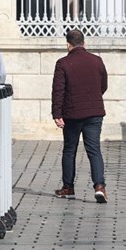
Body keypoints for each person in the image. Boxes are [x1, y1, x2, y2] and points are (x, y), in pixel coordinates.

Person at [51, 29, 109, 203]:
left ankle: (68, 187)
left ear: (68, 44)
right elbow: (103, 85)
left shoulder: (63, 63)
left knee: (70, 150)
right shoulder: (97, 61)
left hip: (72, 114)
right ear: (84, 43)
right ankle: (100, 186)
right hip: (94, 112)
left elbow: (58, 90)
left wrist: (57, 113)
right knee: (94, 150)